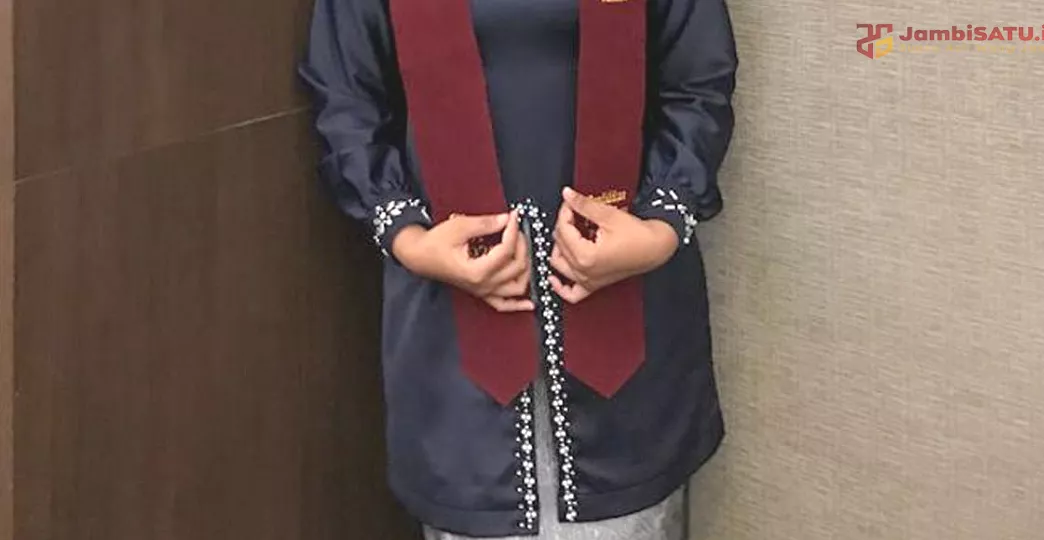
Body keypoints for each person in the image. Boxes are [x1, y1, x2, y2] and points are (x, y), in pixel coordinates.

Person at [298, 0, 737, 535]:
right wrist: (409, 239)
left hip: (628, 321)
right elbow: (346, 98)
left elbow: (697, 81)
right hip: (452, 328)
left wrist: (661, 227)